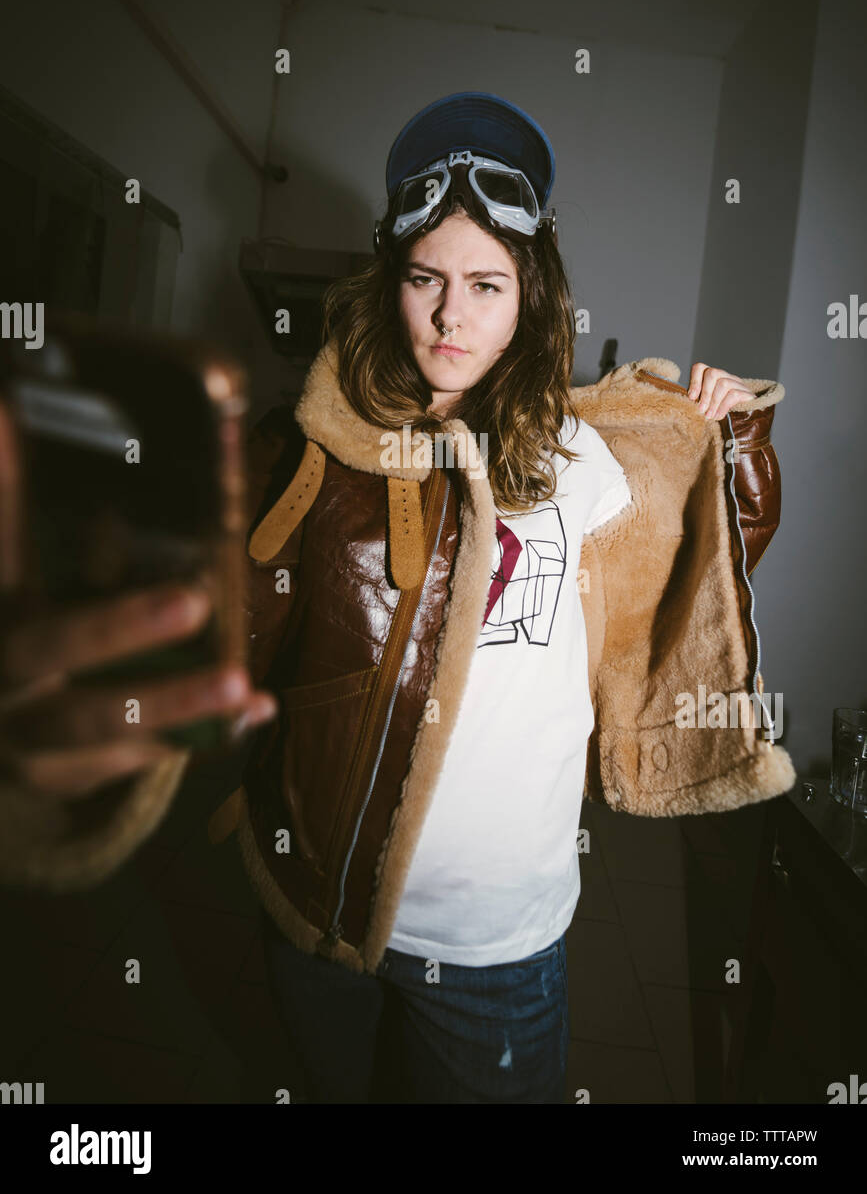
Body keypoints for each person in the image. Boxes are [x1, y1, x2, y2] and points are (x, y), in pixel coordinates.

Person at [0, 91, 794, 1104]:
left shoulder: (584, 455)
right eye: (425, 278)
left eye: (485, 284)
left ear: (531, 295)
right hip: (322, 921)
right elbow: (223, 636)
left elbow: (697, 581)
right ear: (392, 282)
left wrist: (732, 444)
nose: (452, 316)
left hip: (502, 953)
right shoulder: (316, 452)